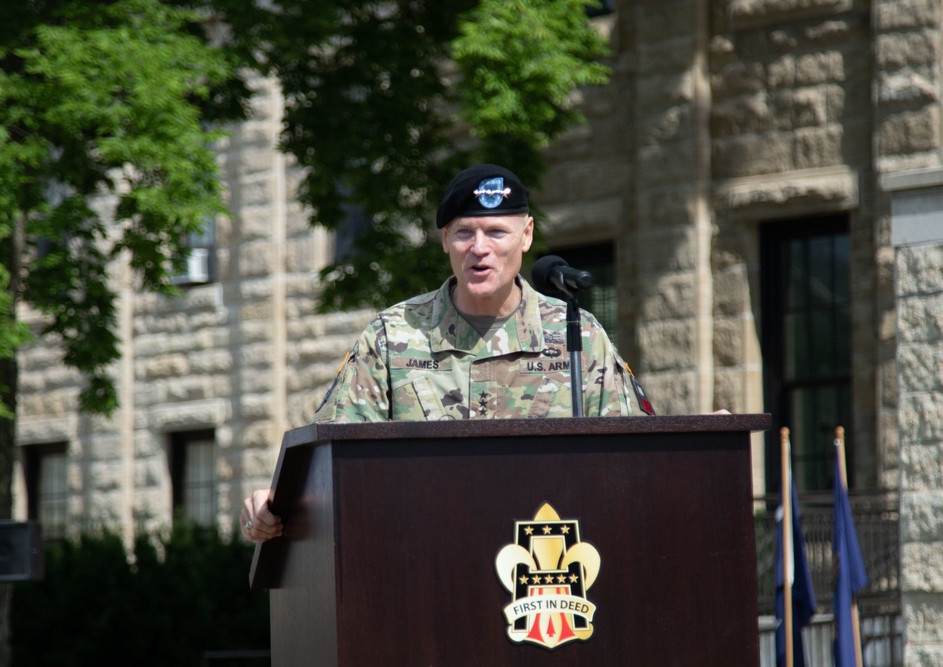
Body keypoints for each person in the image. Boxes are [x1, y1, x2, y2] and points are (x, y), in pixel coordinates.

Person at [240, 163, 654, 543]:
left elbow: (637, 465)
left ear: (526, 235)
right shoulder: (393, 336)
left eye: (496, 232)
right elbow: (327, 468)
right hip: (424, 563)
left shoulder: (576, 335)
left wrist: (709, 446)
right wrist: (275, 502)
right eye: (464, 233)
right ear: (444, 241)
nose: (479, 248)